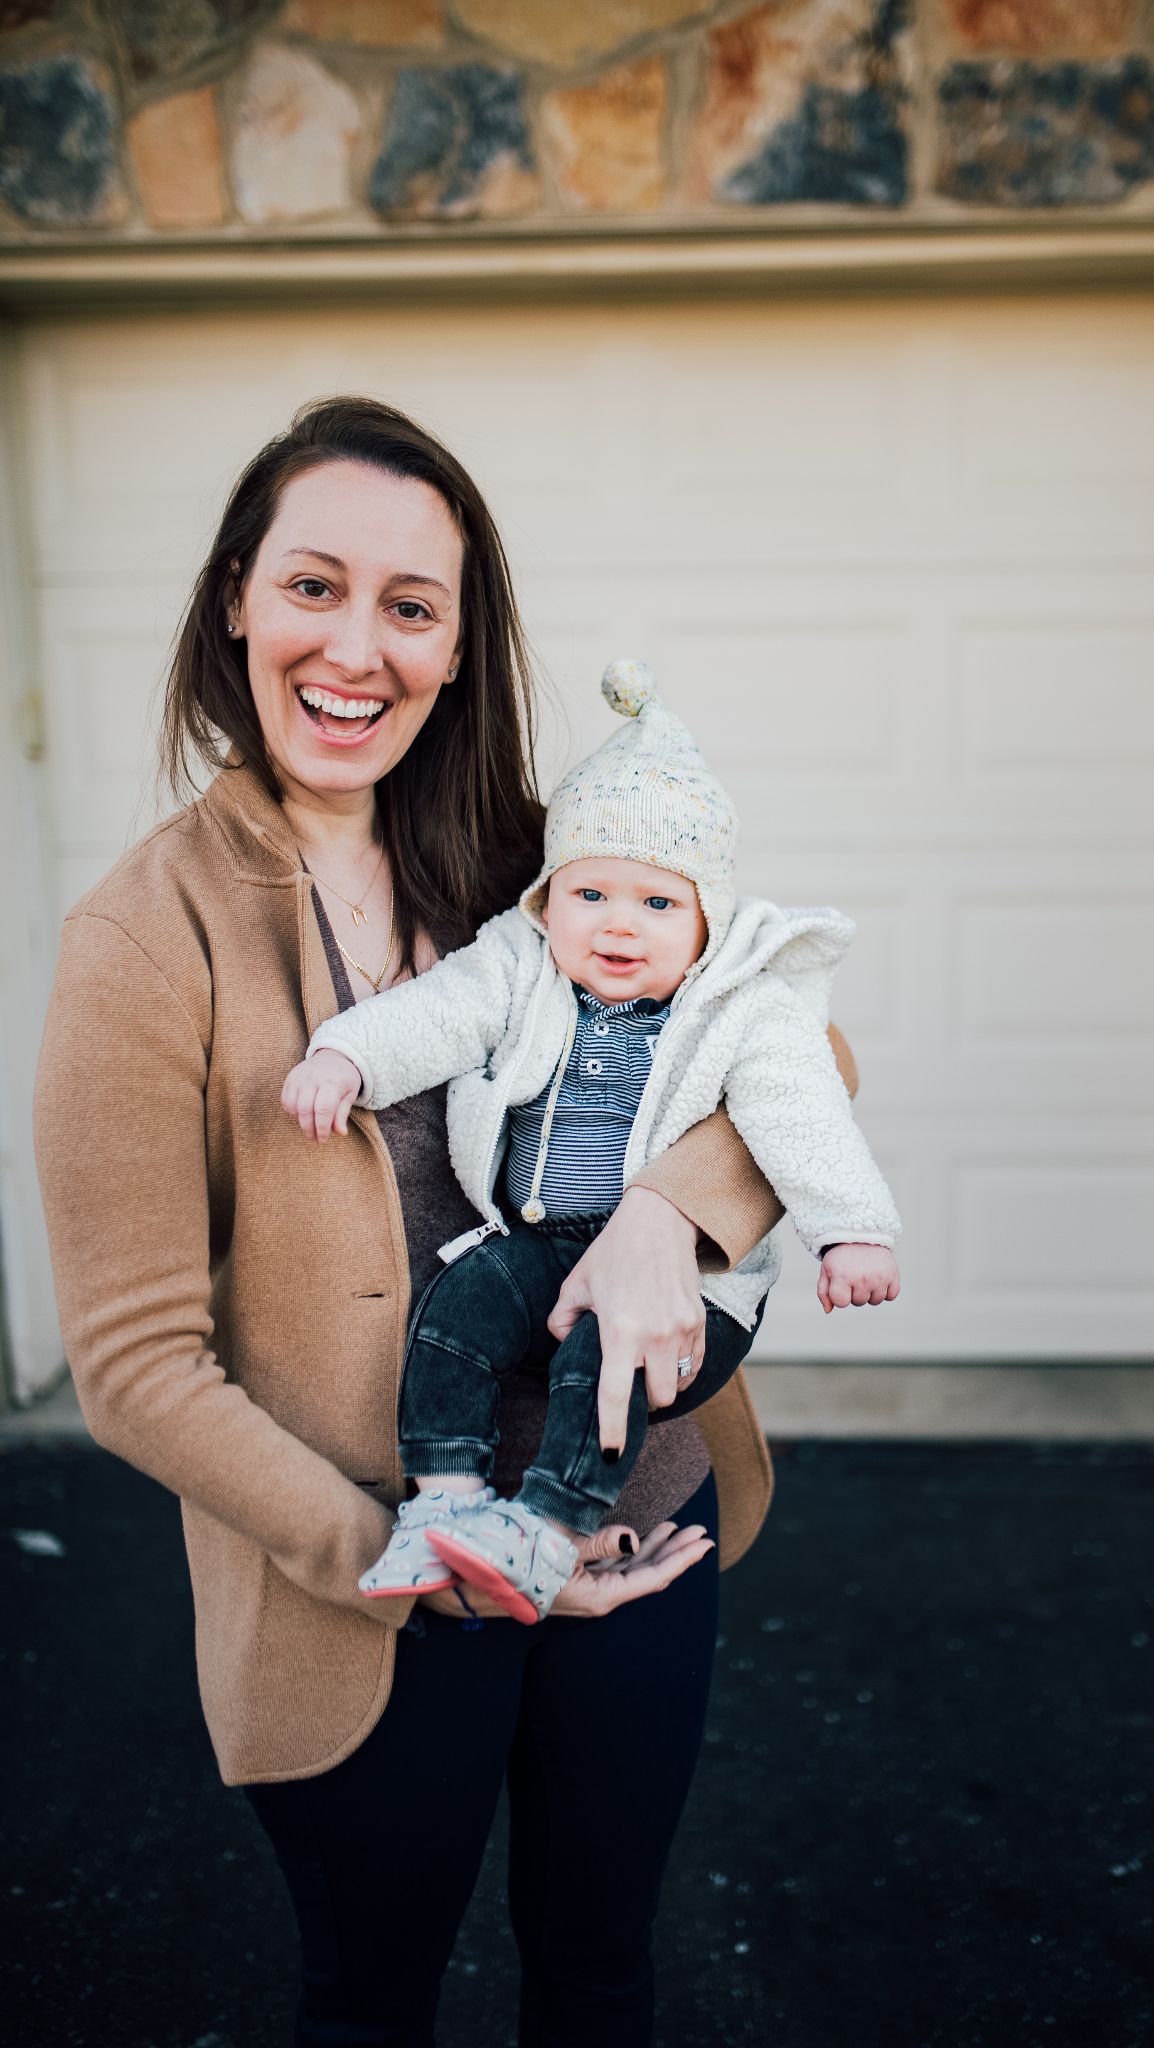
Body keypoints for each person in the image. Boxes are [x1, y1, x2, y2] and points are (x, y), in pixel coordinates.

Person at [31, 396, 861, 2048]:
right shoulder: (145, 934)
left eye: (410, 606)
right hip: (372, 1585)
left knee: (602, 1972)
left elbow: (802, 1047)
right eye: (314, 587)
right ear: (235, 605)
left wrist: (662, 1225)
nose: (359, 647)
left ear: (459, 645)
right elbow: (131, 1363)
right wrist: (417, 1556)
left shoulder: (534, 857)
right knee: (373, 1999)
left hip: (637, 1516)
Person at [283, 658, 900, 1623]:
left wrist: (852, 1230)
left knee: (605, 1360)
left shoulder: (743, 1006)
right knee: (460, 1305)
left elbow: (802, 1112)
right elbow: (433, 1015)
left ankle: (553, 1525)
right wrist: (347, 1058)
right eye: (591, 895)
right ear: (547, 898)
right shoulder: (518, 965)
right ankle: (446, 1501)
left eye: (658, 904)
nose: (619, 926)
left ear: (707, 919)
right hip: (536, 1241)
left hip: (687, 1288)